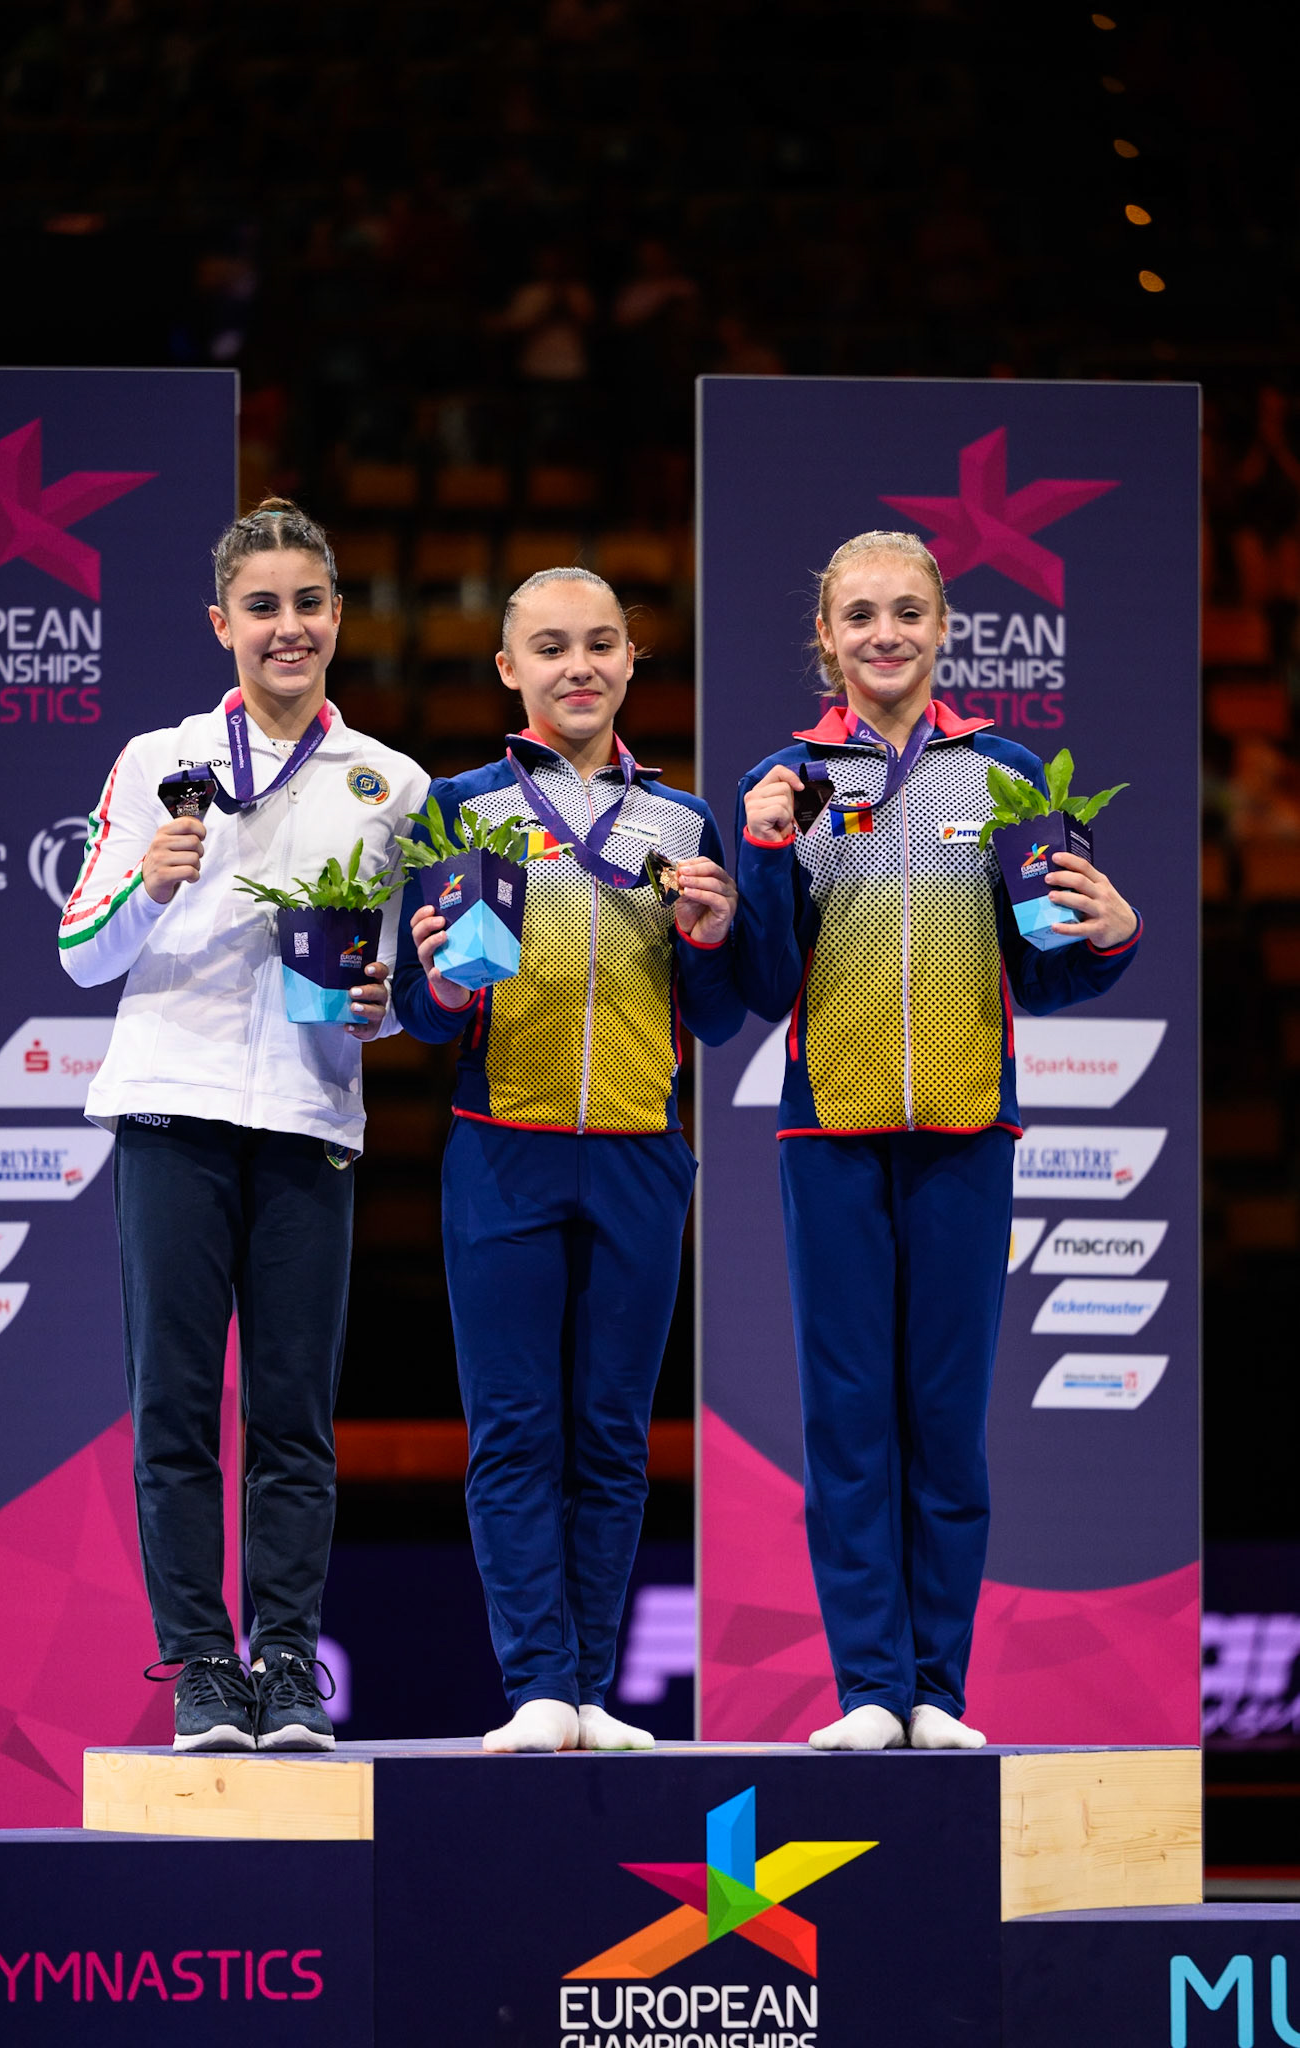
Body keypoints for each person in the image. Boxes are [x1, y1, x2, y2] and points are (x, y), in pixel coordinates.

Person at [733, 530, 1142, 1752]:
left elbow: (1047, 968)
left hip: (971, 1125)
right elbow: (758, 979)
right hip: (833, 1130)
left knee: (945, 1419)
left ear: (945, 625)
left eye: (907, 611)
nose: (885, 635)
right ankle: (868, 1688)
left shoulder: (1009, 774)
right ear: (827, 636)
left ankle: (938, 1693)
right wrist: (760, 851)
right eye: (859, 615)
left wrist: (1110, 932)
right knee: (849, 1417)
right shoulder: (787, 778)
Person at [59, 499, 428, 1753]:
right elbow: (77, 951)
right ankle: (204, 1666)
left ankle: (285, 1657)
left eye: (307, 604)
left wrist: (379, 1007)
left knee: (292, 1413)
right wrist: (150, 885)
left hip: (308, 1116)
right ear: (222, 622)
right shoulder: (152, 759)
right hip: (172, 1110)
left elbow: (384, 986)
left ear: (337, 617)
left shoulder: (392, 783)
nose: (287, 628)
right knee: (172, 1406)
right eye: (261, 607)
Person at [394, 566, 744, 1753]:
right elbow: (427, 1011)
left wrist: (710, 935)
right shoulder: (459, 807)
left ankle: (593, 1688)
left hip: (645, 1153)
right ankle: (538, 1682)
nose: (577, 665)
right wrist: (437, 979)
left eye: (600, 643)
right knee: (513, 1429)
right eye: (550, 647)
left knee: (611, 1434)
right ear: (509, 669)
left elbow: (720, 1010)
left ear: (633, 661)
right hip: (504, 1148)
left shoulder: (683, 822)